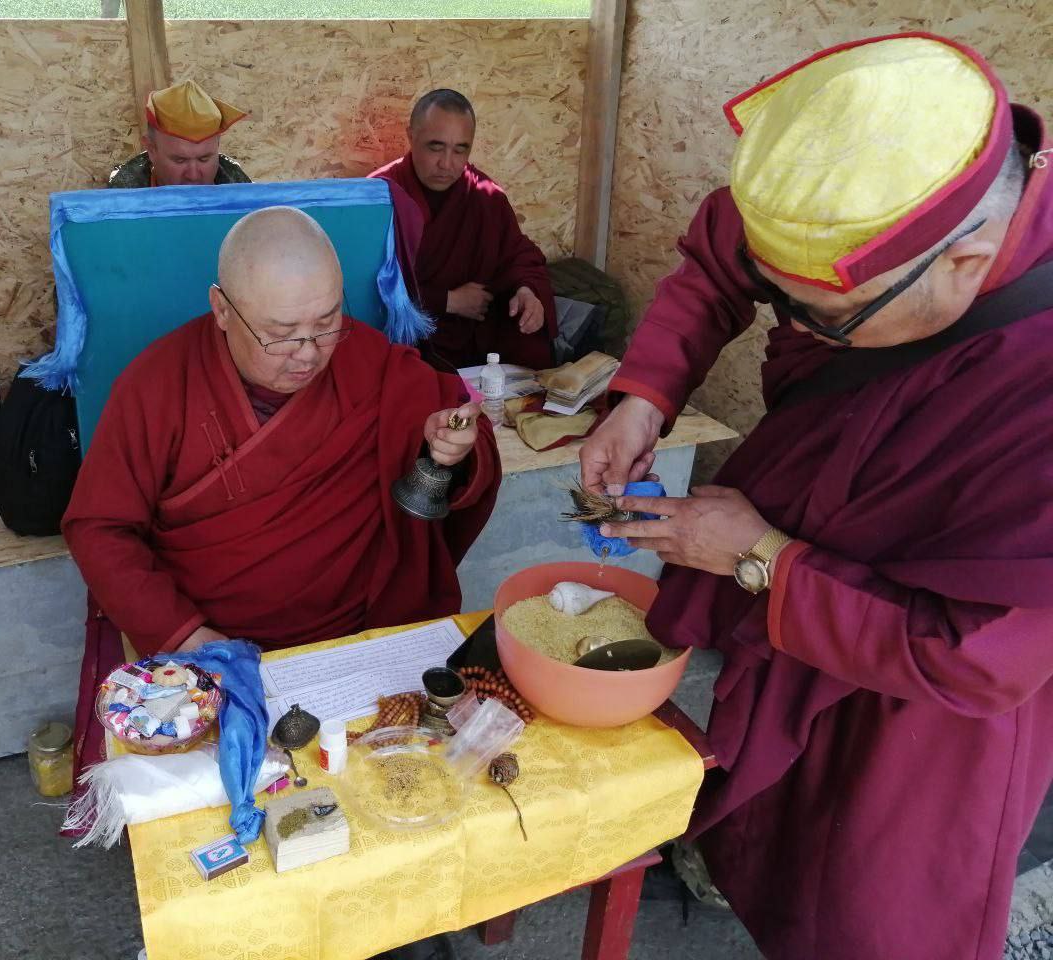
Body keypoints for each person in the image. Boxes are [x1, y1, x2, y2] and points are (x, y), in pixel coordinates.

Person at [580, 33, 1053, 960]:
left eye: (822, 319)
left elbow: (977, 659)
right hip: (796, 600)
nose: (789, 326)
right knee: (763, 830)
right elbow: (725, 264)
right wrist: (644, 399)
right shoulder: (855, 202)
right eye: (782, 303)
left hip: (921, 722)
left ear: (967, 259)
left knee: (869, 906)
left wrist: (760, 559)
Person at [63, 205, 499, 769]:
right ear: (222, 309)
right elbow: (98, 527)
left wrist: (450, 451)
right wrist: (194, 642)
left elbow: (458, 431)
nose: (310, 352)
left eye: (326, 322)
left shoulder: (369, 363)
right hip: (218, 652)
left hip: (363, 637)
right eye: (280, 334)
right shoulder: (156, 387)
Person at [370, 89, 557, 370]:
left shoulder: (485, 196)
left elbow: (517, 254)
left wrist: (527, 291)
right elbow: (364, 286)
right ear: (411, 137)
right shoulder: (377, 195)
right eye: (435, 147)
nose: (447, 164)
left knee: (528, 341)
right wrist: (447, 301)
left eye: (460, 150)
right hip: (409, 339)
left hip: (474, 335)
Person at [108, 79, 252, 188]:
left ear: (218, 146)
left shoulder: (247, 201)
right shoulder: (117, 208)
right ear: (151, 150)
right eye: (180, 160)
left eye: (204, 159)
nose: (193, 176)